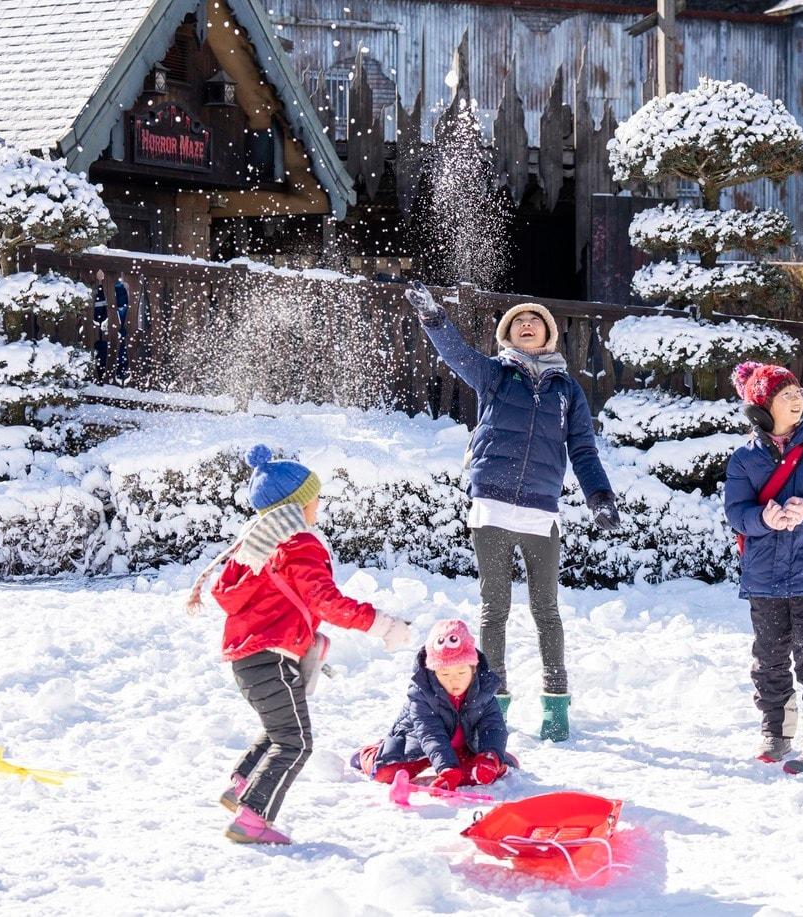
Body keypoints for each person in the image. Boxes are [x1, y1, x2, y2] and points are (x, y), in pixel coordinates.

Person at [403, 282, 619, 742]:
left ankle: (556, 706)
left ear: (548, 335)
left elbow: (582, 449)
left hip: (541, 512)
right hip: (492, 506)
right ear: (507, 334)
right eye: (518, 321)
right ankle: (492, 707)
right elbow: (457, 355)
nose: (527, 324)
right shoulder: (496, 375)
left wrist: (599, 496)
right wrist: (434, 319)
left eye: (535, 321)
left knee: (547, 610)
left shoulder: (567, 391)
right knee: (494, 608)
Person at [187, 444, 413, 844]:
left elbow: (275, 606)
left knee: (279, 730)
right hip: (271, 661)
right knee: (297, 741)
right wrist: (383, 625)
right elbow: (325, 600)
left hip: (249, 662)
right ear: (295, 507)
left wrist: (303, 636)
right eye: (314, 499)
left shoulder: (254, 550)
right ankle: (252, 820)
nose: (318, 506)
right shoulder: (297, 544)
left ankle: (241, 786)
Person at [723, 361, 803, 775]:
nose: (797, 400)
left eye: (798, 393)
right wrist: (764, 519)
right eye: (786, 395)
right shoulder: (744, 459)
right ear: (763, 406)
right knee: (769, 658)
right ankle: (776, 733)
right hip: (764, 576)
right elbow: (737, 513)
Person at [351, 619, 514, 789]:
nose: (454, 680)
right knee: (385, 772)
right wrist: (446, 768)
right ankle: (370, 753)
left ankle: (497, 759)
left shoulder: (483, 690)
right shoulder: (422, 693)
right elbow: (431, 735)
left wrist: (490, 756)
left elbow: (494, 726)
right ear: (433, 673)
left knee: (480, 774)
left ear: (474, 669)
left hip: (463, 747)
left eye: (461, 672)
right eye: (444, 673)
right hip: (421, 744)